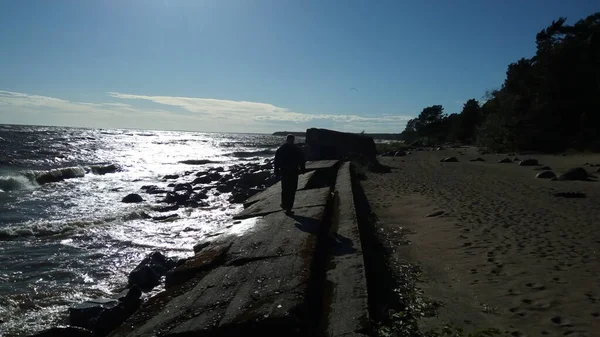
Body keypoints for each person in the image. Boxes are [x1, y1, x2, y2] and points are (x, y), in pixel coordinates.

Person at [274, 134, 306, 214]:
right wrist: (303, 169)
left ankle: (284, 205)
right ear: (293, 140)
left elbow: (276, 161)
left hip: (285, 172)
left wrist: (276, 170)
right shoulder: (297, 149)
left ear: (286, 140)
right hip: (293, 172)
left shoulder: (281, 149)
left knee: (285, 189)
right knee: (292, 190)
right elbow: (301, 160)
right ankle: (288, 207)